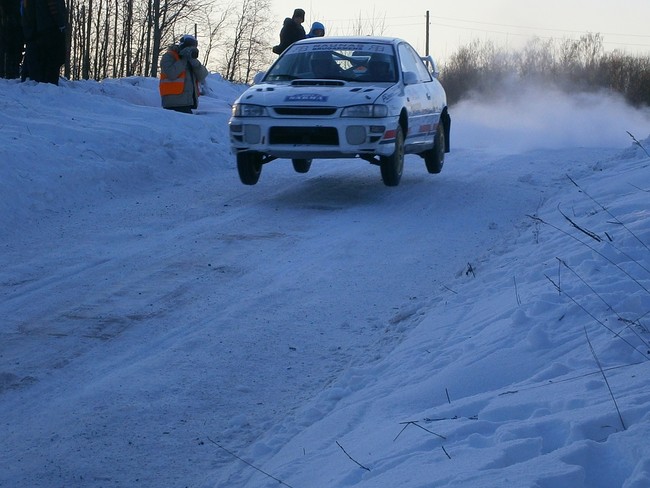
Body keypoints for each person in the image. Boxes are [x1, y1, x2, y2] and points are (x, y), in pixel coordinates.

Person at [159, 34, 208, 114]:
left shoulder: (191, 60)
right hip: (173, 102)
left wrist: (193, 60)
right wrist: (183, 59)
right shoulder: (169, 56)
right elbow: (171, 74)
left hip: (187, 103)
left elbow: (202, 76)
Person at [20, 0, 67, 85]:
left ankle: (31, 80)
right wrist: (61, 23)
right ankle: (46, 84)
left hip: (33, 29)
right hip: (47, 27)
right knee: (51, 59)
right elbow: (54, 6)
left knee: (35, 59)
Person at [0, 0, 24, 79]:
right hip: (10, 22)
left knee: (15, 48)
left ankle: (12, 72)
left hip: (17, 22)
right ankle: (7, 73)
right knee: (9, 48)